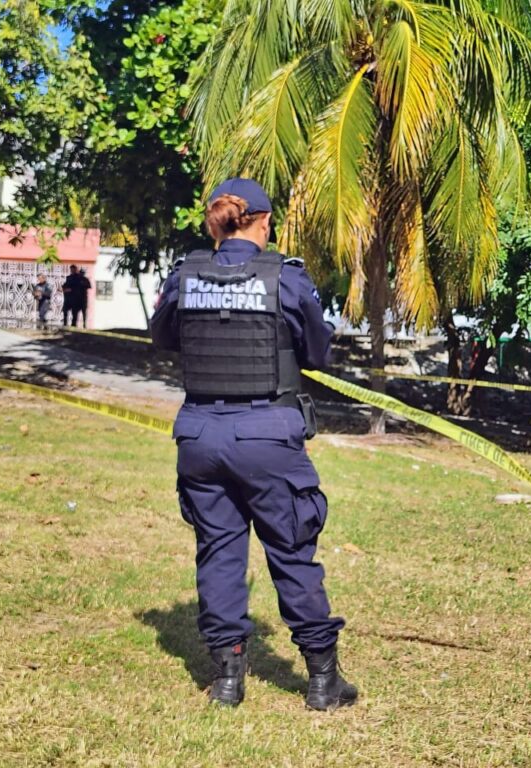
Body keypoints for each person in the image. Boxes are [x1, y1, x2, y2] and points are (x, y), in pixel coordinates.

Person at [150, 178, 355, 711]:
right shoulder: (284, 279)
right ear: (262, 222)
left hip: (198, 435)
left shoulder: (184, 276)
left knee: (218, 551)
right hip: (267, 435)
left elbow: (164, 339)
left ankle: (226, 680)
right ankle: (322, 680)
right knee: (291, 550)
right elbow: (317, 351)